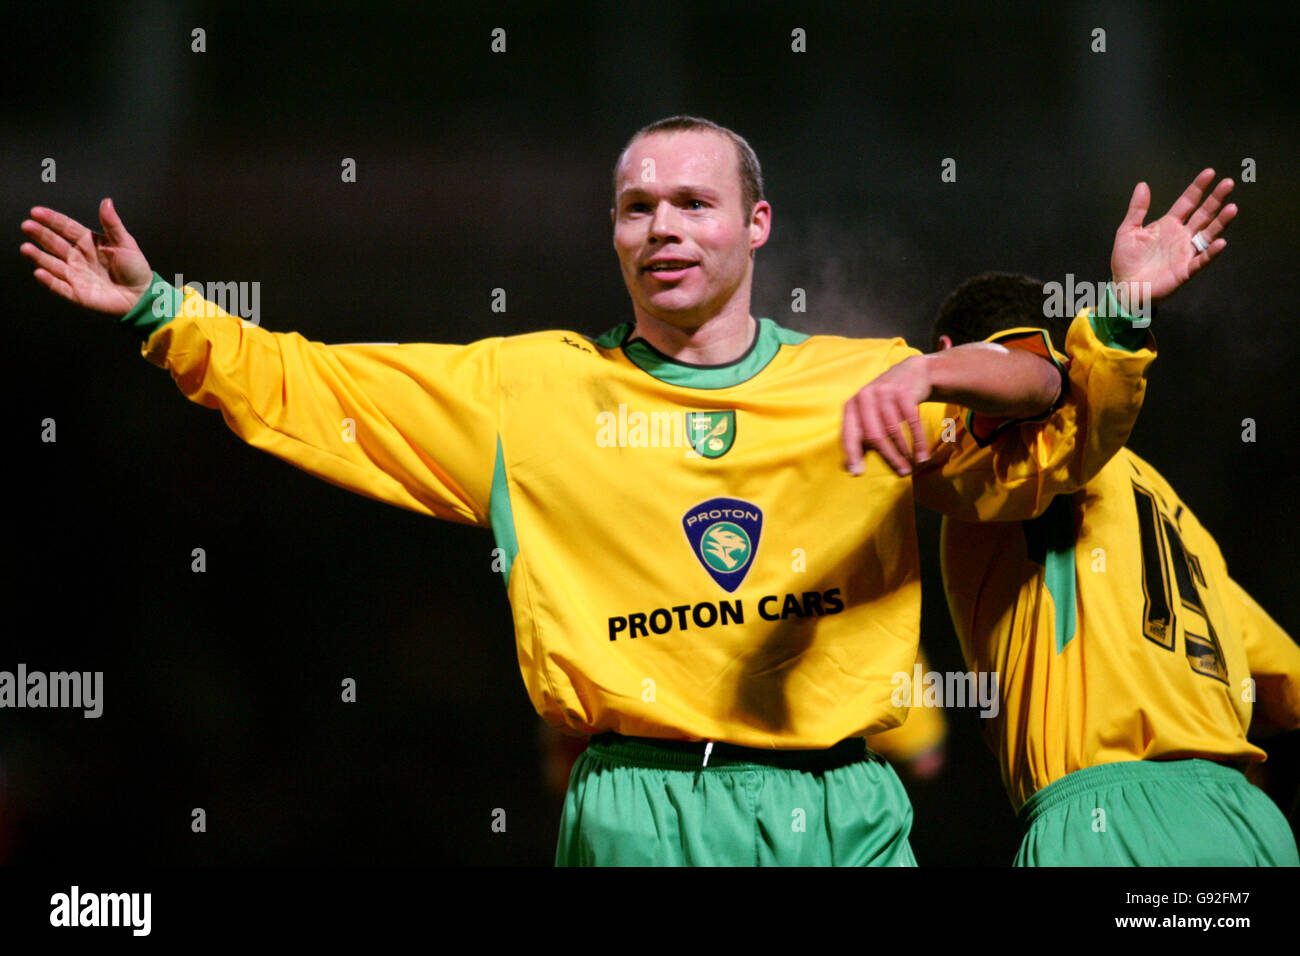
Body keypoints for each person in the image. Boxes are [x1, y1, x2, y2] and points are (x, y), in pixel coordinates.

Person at [20, 116, 1195, 866]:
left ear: (755, 224)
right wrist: (166, 312)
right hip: (636, 812)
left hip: (840, 809)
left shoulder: (870, 379)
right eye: (637, 206)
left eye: (693, 203)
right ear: (615, 235)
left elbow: (1053, 419)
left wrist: (1113, 314)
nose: (663, 227)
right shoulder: (524, 390)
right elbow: (314, 385)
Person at [932, 267, 1300, 865]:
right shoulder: (1172, 513)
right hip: (1246, 824)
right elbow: (1289, 685)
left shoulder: (1005, 454)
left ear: (949, 354)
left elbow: (1040, 388)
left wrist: (1120, 311)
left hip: (1109, 822)